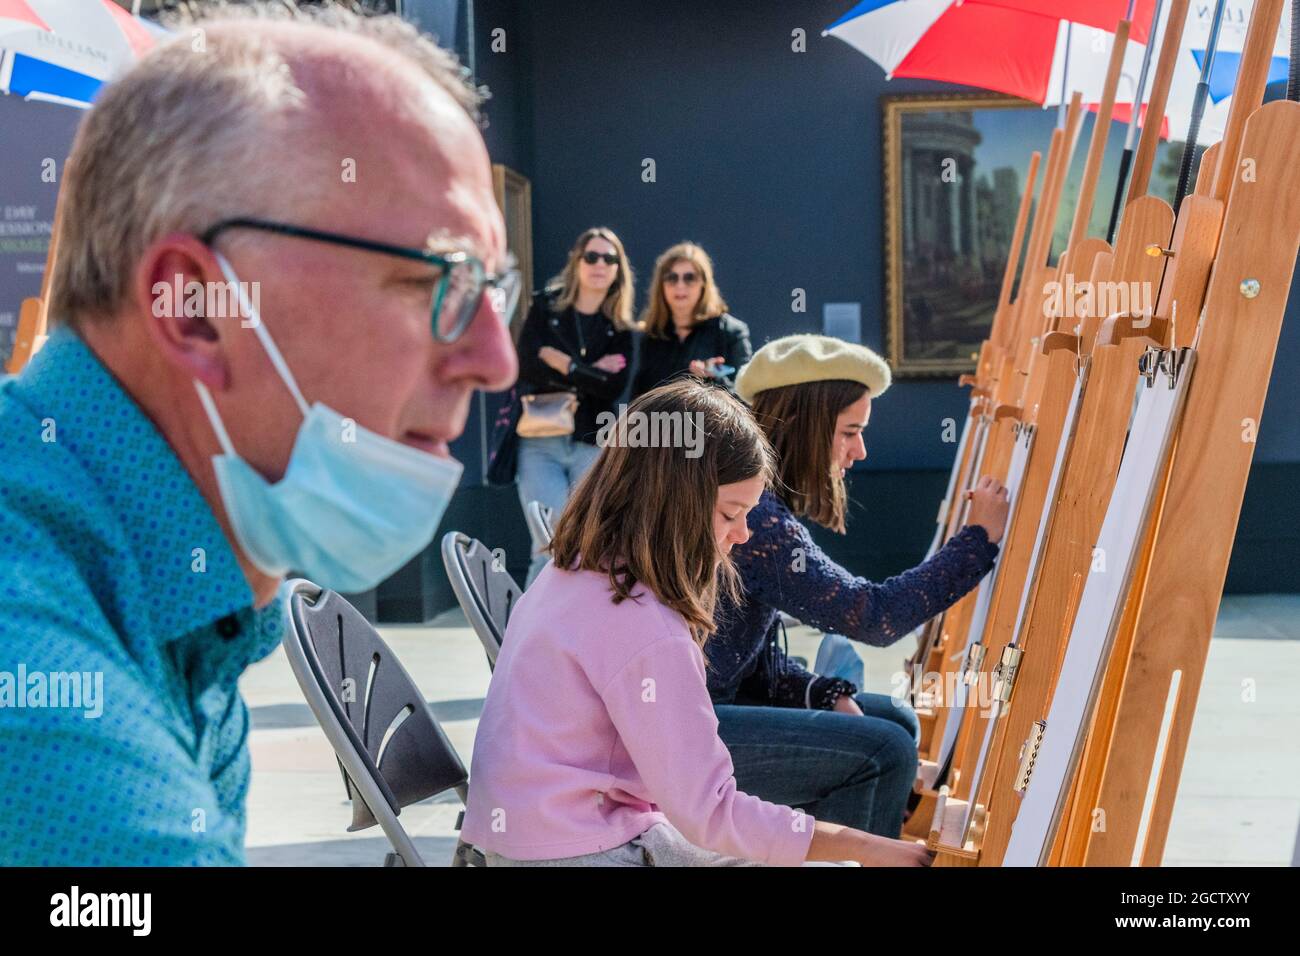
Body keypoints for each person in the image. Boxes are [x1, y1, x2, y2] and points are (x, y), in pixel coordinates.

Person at [0, 6, 516, 865]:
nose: (494, 357)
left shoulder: (174, 591)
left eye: (495, 287)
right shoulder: (46, 698)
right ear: (196, 308)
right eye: (440, 277)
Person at [460, 380, 933, 867]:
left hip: (539, 837)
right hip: (574, 850)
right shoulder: (644, 623)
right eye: (732, 513)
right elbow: (709, 811)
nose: (744, 533)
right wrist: (863, 847)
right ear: (676, 502)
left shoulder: (576, 570)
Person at [709, 335, 1009, 837]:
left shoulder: (754, 505)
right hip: (684, 728)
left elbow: (747, 655)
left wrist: (822, 692)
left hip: (713, 705)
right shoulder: (757, 519)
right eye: (850, 431)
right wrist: (978, 540)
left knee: (892, 717)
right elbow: (874, 617)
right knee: (884, 751)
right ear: (806, 425)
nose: (861, 450)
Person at [512, 227, 635, 585]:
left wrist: (565, 365)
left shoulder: (620, 326)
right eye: (591, 256)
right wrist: (590, 373)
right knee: (547, 539)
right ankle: (524, 631)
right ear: (577, 262)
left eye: (609, 258)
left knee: (586, 538)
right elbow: (527, 365)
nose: (600, 264)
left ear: (618, 269)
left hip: (590, 443)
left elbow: (612, 388)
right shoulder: (546, 307)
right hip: (541, 440)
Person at [631, 242, 751, 396]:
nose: (680, 285)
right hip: (660, 420)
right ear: (661, 286)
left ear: (703, 283)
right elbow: (639, 398)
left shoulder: (731, 332)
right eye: (672, 278)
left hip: (710, 420)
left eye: (690, 278)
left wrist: (712, 379)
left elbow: (746, 400)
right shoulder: (652, 336)